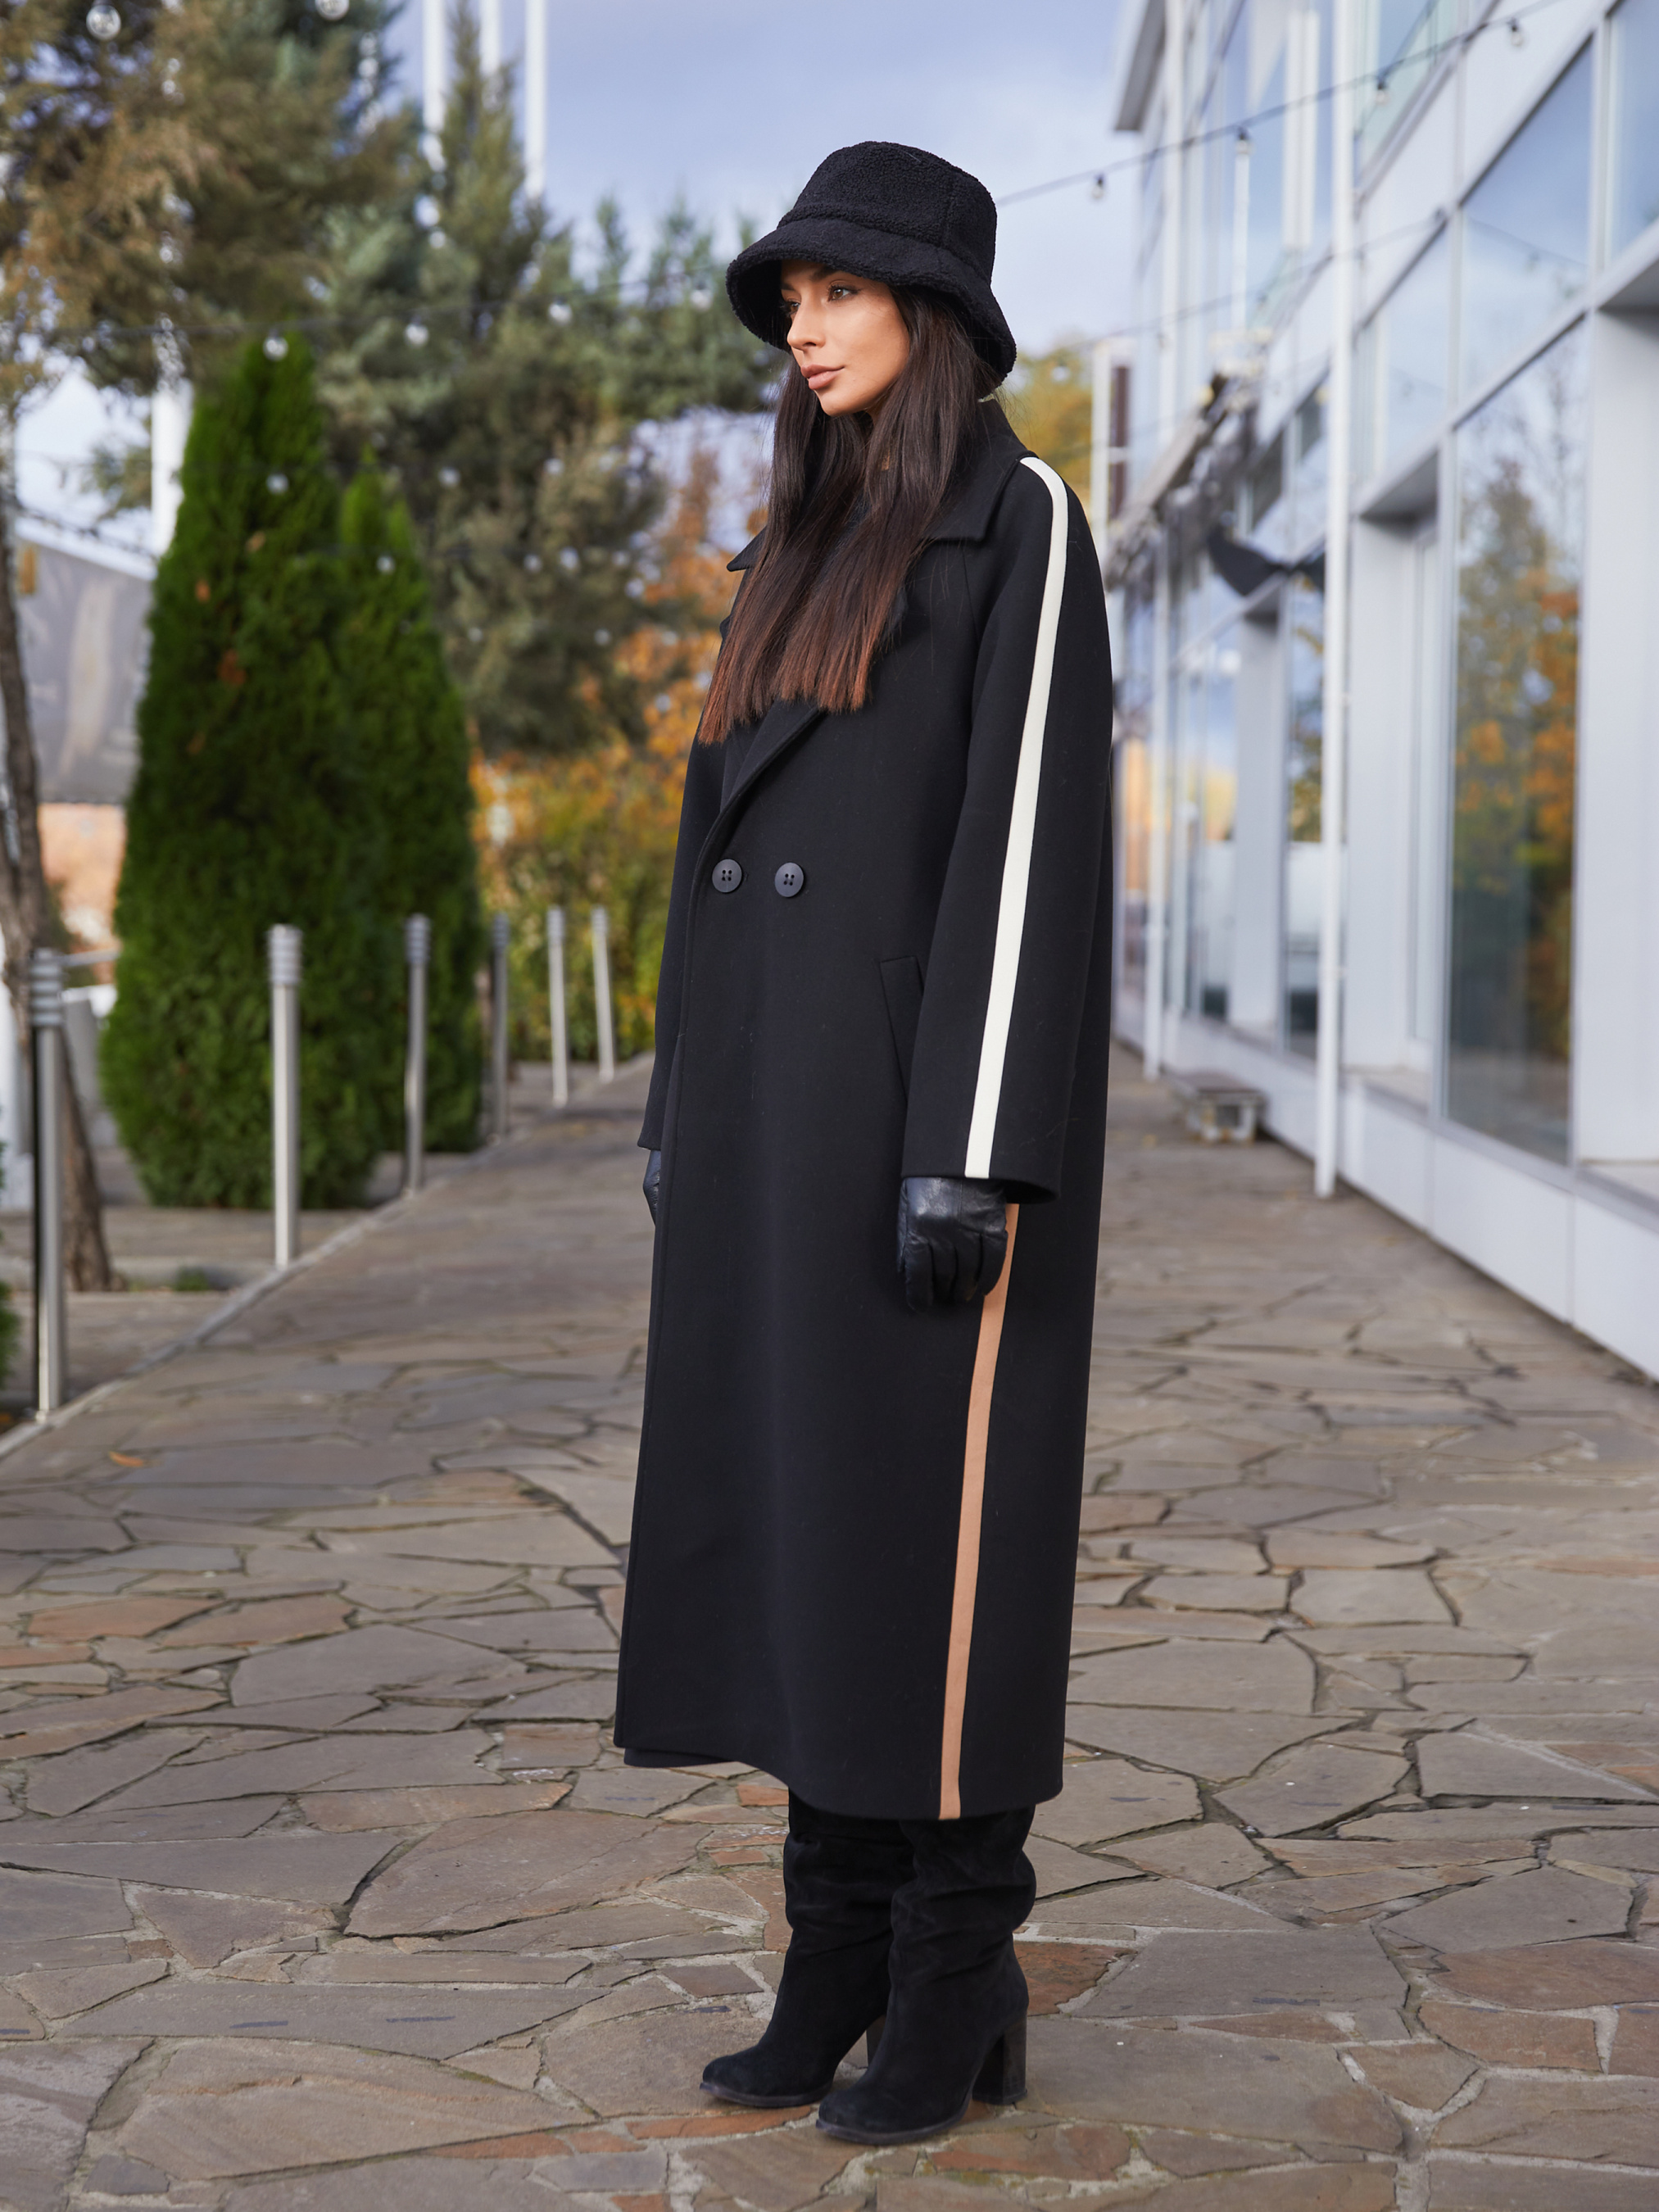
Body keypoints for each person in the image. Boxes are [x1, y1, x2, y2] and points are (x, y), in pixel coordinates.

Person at [614, 141, 1114, 2146]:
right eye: (791, 300)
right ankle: (832, 1955)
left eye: (837, 292)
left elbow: (1028, 846)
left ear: (933, 311)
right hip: (768, 1125)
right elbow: (706, 851)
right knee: (800, 1545)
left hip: (921, 1132)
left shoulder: (1021, 521)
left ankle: (951, 1969)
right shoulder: (790, 546)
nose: (802, 328)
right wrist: (677, 1107)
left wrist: (972, 1146)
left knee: (931, 1556)